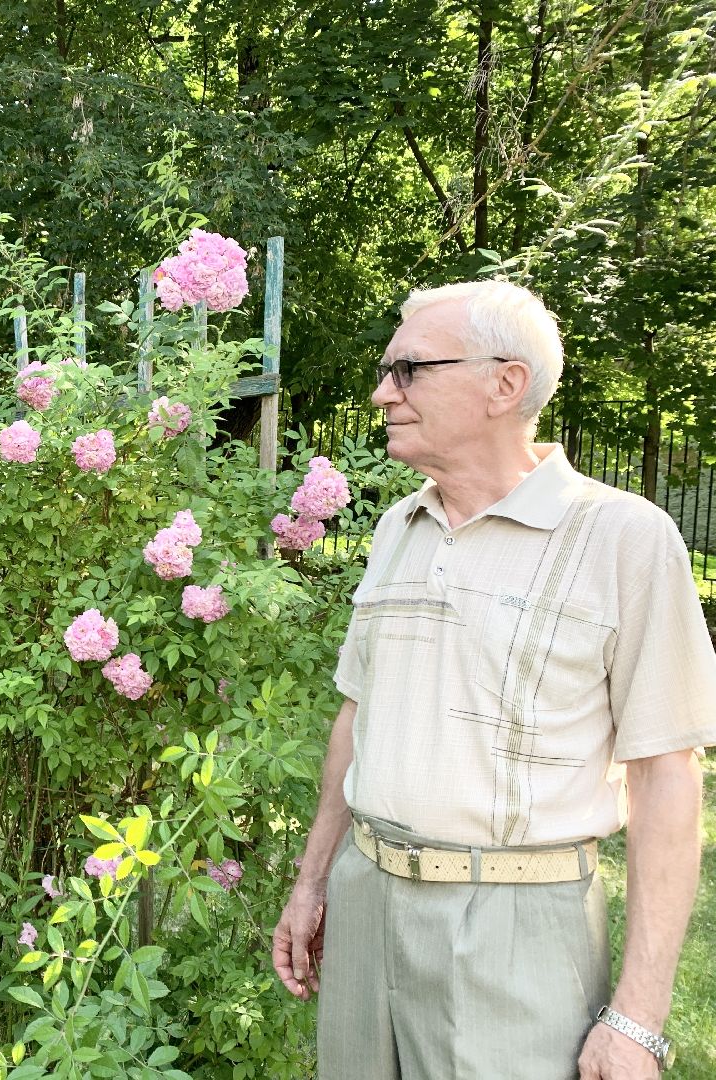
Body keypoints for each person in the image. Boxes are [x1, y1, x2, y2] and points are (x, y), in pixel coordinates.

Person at [271, 281, 715, 1080]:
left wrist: (639, 1018)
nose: (382, 392)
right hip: (366, 902)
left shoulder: (625, 539)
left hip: (516, 925)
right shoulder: (396, 529)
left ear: (503, 384)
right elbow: (356, 717)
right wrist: (312, 884)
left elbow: (666, 778)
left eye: (407, 370)